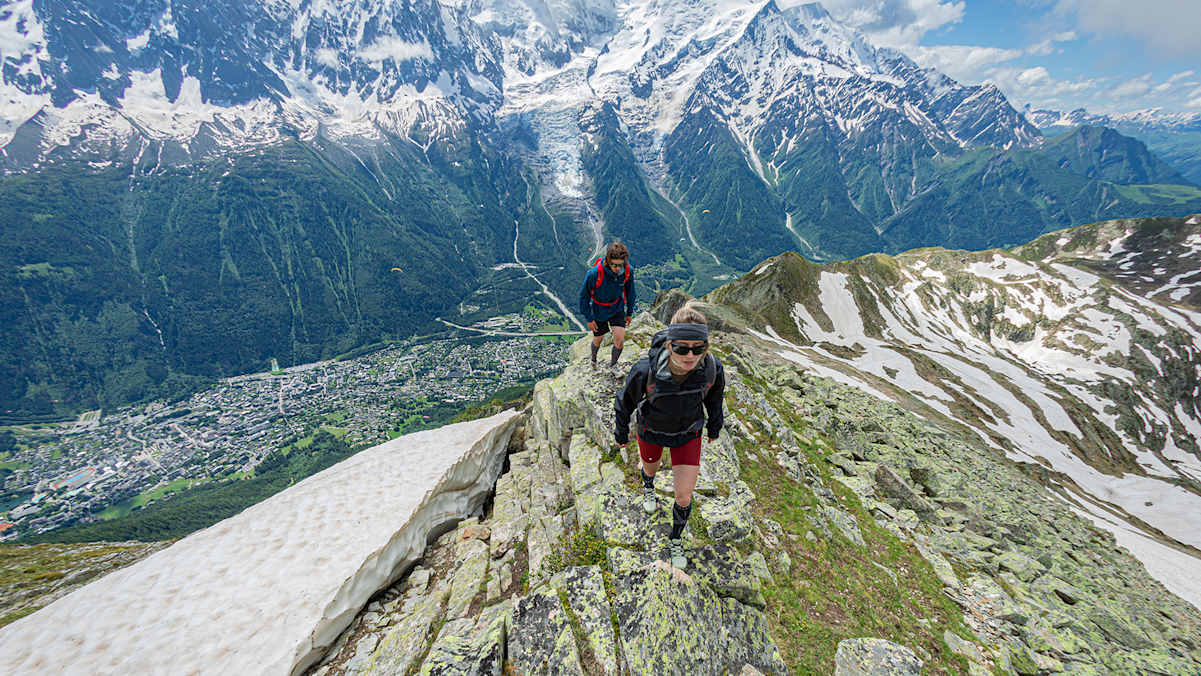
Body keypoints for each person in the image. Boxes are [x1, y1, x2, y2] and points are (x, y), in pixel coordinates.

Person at [613, 304, 725, 570]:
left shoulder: (712, 369)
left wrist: (714, 429)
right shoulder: (645, 371)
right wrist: (620, 433)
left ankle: (676, 539)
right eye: (682, 347)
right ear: (669, 345)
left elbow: (715, 399)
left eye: (698, 348)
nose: (690, 355)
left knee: (684, 496)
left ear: (706, 348)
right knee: (649, 468)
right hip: (652, 430)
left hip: (688, 433)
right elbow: (624, 401)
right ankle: (648, 486)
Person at [578, 242, 635, 373]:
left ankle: (613, 366)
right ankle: (593, 360)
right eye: (614, 264)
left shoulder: (627, 271)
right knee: (598, 339)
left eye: (620, 265)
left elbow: (631, 292)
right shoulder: (594, 274)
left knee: (619, 340)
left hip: (617, 307)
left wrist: (629, 312)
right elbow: (583, 297)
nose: (617, 268)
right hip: (599, 309)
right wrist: (589, 318)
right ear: (608, 261)